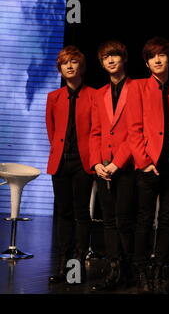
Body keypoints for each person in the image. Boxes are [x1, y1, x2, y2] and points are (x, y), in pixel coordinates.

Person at [127, 37, 169, 294]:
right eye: (153, 56)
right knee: (143, 219)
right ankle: (141, 268)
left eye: (162, 55)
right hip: (148, 165)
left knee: (167, 219)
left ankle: (160, 267)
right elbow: (133, 129)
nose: (158, 60)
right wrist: (144, 162)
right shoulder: (137, 88)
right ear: (147, 62)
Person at [89, 40, 136, 292]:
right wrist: (97, 162)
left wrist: (118, 163)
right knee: (108, 221)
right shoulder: (99, 94)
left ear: (123, 58)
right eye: (106, 57)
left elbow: (136, 131)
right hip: (103, 166)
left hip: (125, 166)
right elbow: (94, 132)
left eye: (114, 55)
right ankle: (113, 268)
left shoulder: (137, 88)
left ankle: (128, 270)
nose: (110, 60)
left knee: (124, 220)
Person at [46, 46, 95, 284]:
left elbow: (97, 131)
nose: (69, 66)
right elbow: (52, 132)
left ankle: (78, 267)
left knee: (81, 213)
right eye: (65, 63)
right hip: (61, 162)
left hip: (83, 163)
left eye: (74, 62)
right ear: (60, 68)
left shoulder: (94, 95)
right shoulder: (53, 97)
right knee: (63, 214)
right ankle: (63, 265)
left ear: (81, 67)